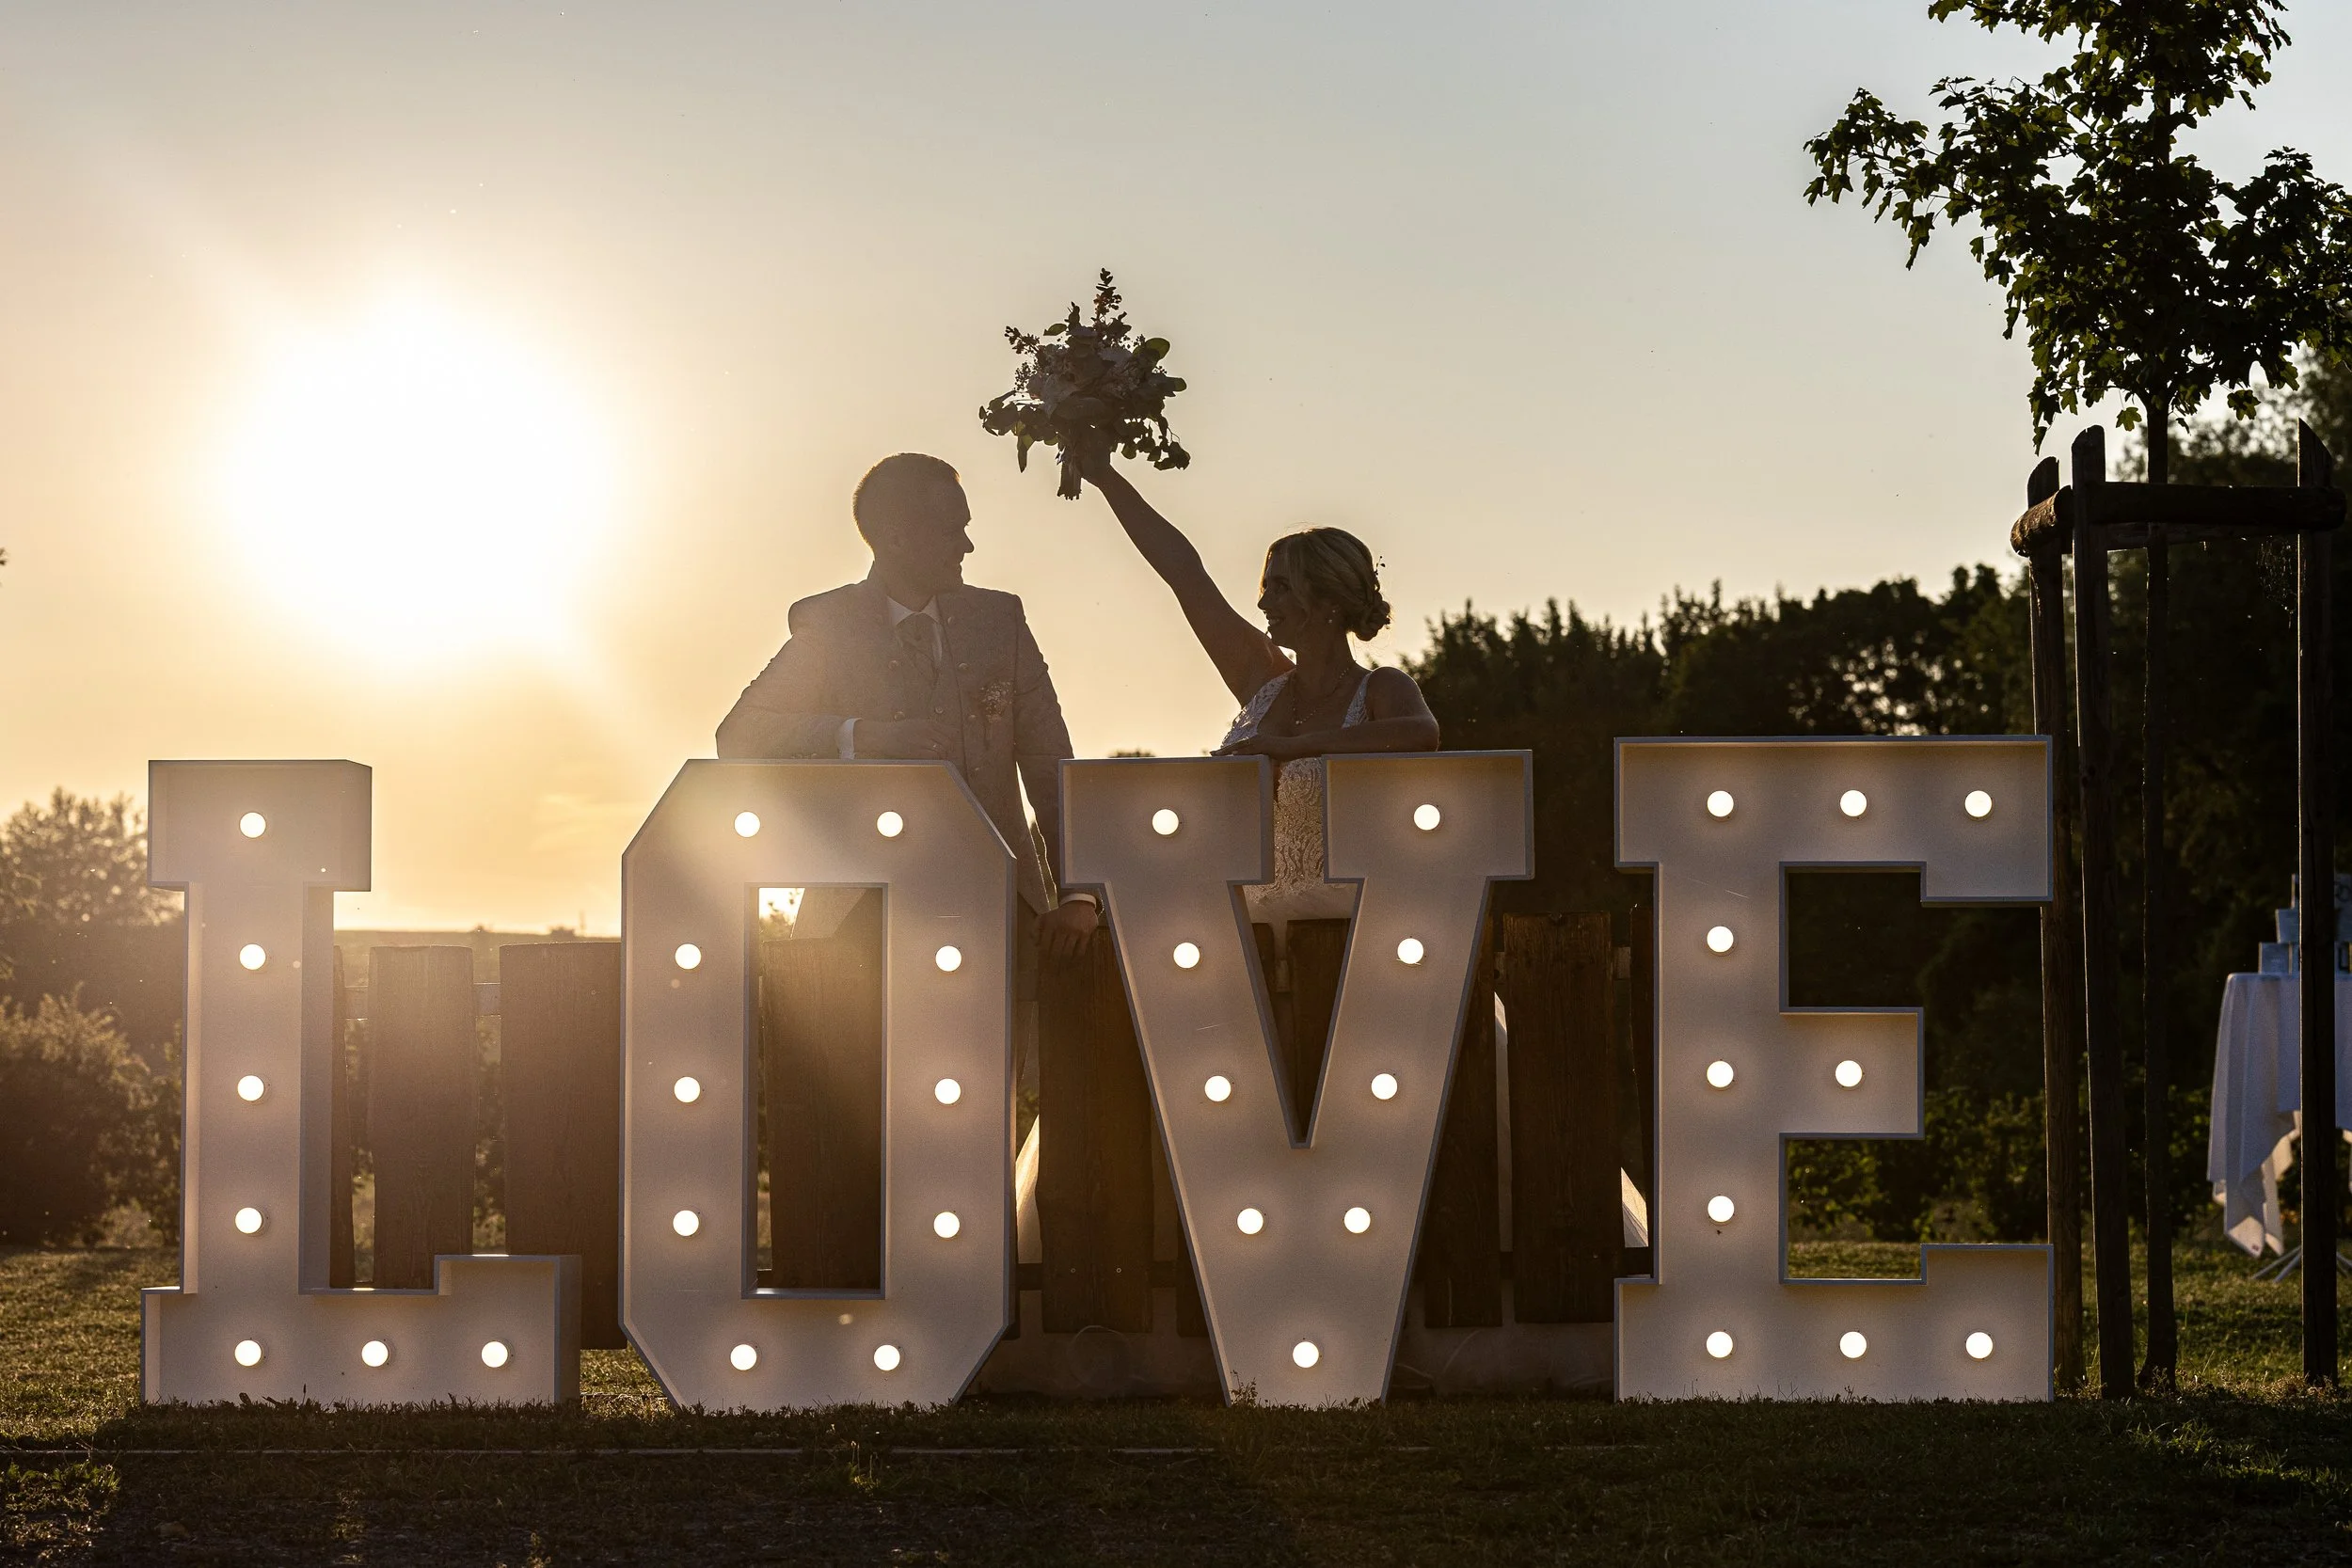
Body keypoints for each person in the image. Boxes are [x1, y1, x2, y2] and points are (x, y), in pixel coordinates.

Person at [716, 452, 1101, 967]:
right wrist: (862, 736)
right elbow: (739, 736)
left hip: (1003, 912)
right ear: (897, 537)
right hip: (860, 925)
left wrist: (1078, 895)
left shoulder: (1000, 621)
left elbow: (1052, 766)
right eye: (952, 530)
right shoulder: (831, 625)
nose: (967, 545)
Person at [1076, 451, 1439, 943]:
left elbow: (1422, 735)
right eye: (1266, 587)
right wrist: (1104, 476)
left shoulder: (1381, 689)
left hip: (1351, 931)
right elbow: (1186, 575)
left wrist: (1290, 749)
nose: (1264, 602)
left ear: (1328, 600)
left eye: (1281, 587)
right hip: (1245, 928)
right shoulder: (1260, 679)